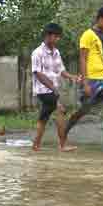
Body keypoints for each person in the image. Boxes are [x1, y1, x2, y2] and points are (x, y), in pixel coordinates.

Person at [64, 6, 103, 152]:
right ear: (100, 18)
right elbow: (83, 59)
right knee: (83, 110)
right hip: (91, 78)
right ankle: (63, 133)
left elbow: (102, 57)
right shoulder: (87, 35)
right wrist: (85, 82)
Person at [31, 23, 82, 152]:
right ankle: (62, 145)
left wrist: (72, 77)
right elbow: (38, 73)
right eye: (56, 36)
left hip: (53, 89)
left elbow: (61, 70)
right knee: (60, 111)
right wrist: (52, 88)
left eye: (59, 37)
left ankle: (36, 145)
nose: (58, 39)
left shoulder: (56, 52)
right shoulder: (37, 53)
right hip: (43, 89)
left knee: (44, 117)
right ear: (48, 36)